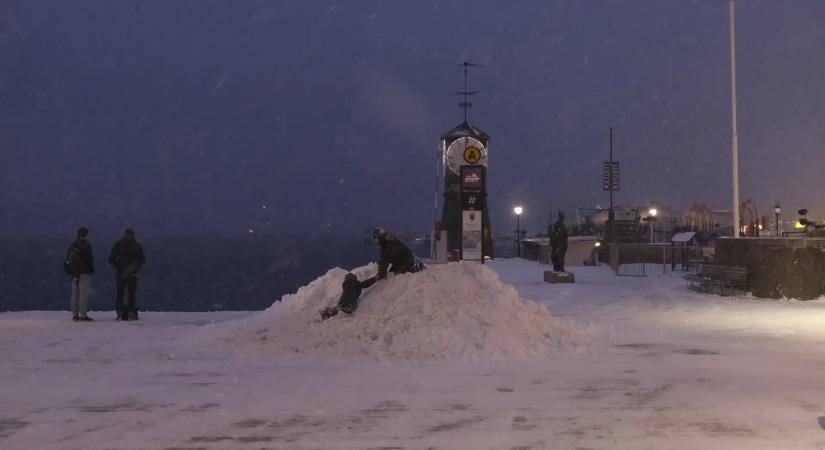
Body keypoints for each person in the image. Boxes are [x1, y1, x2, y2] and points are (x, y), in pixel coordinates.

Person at [108, 228, 146, 321]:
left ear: (124, 234)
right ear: (133, 235)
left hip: (121, 272)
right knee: (131, 294)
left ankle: (120, 312)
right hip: (133, 273)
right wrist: (135, 267)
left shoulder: (118, 244)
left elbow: (111, 258)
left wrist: (118, 265)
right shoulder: (137, 245)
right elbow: (142, 259)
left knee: (120, 293)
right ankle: (131, 312)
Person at [64, 226, 95, 321]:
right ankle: (83, 315)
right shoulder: (86, 245)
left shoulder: (72, 245)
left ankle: (75, 315)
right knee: (83, 295)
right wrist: (90, 270)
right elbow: (89, 260)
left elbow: (67, 260)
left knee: (74, 295)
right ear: (86, 235)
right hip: (84, 273)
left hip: (74, 273)